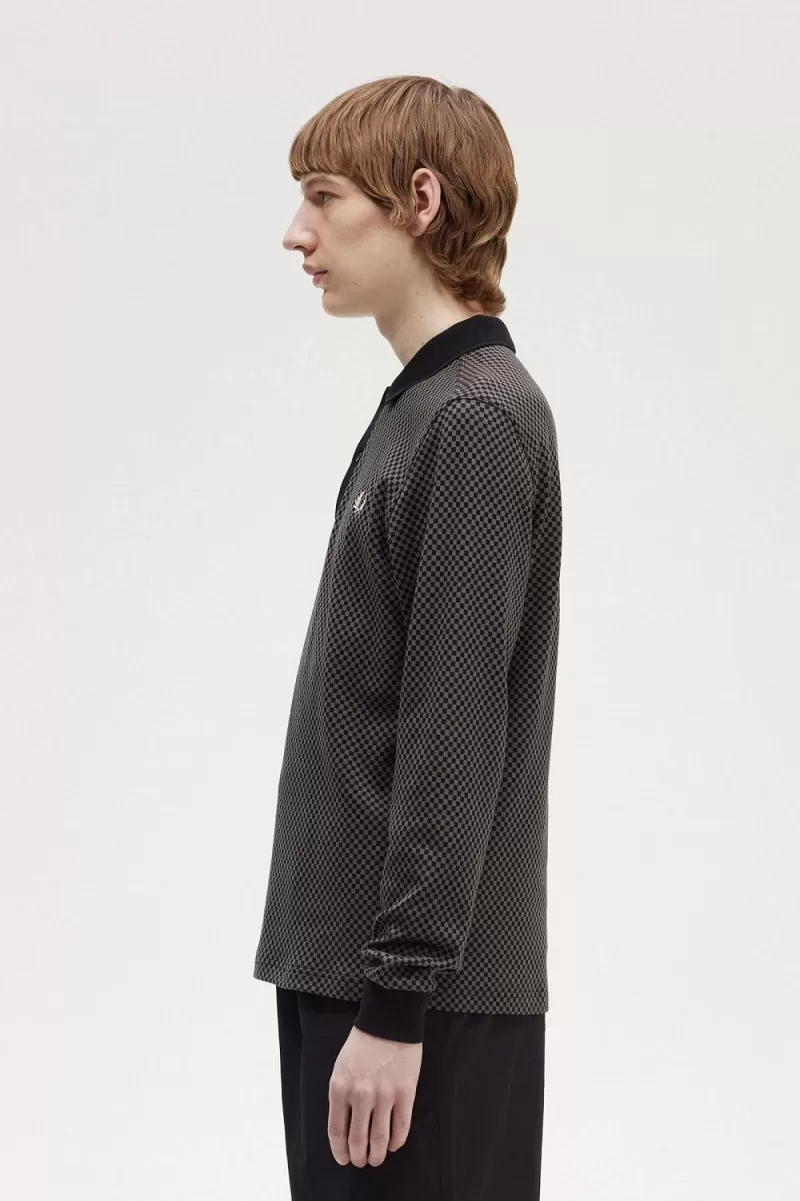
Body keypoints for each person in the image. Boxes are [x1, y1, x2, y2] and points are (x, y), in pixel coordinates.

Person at [252, 73, 562, 1200]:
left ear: (419, 201)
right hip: (362, 980)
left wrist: (396, 1001)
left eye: (324, 196)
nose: (297, 233)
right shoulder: (422, 408)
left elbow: (453, 731)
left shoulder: (473, 418)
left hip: (412, 1006)